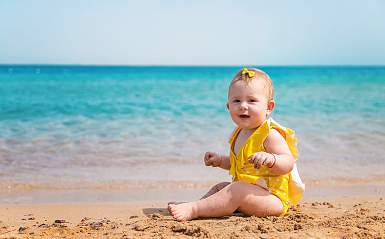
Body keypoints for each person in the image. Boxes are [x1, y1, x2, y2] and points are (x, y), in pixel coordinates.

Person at [168, 68, 305, 221]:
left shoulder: (269, 134)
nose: (243, 106)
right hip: (250, 194)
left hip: (272, 198)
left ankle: (195, 209)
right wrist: (220, 160)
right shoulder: (238, 133)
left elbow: (288, 163)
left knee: (236, 189)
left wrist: (272, 158)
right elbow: (239, 164)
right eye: (237, 101)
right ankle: (200, 204)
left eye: (251, 100)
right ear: (229, 107)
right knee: (221, 187)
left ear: (268, 107)